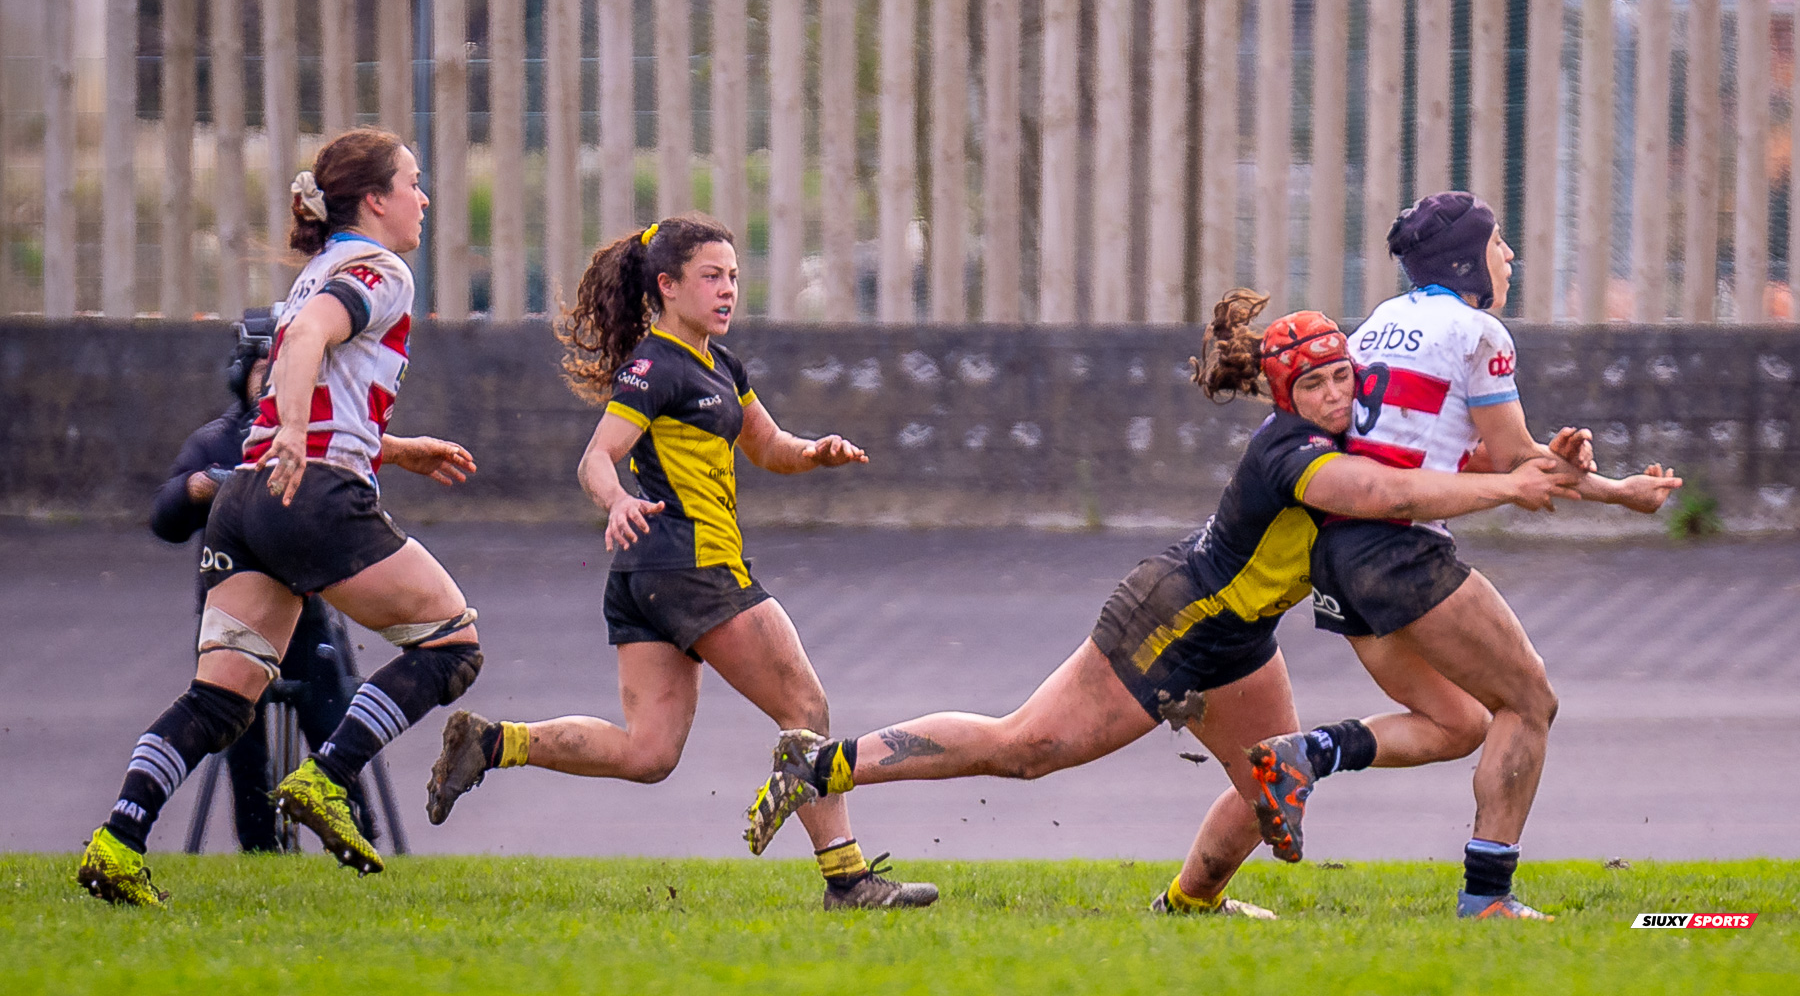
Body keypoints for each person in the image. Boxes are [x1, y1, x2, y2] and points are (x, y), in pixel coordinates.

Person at [740, 290, 1583, 918]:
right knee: (1026, 748)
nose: (1337, 393)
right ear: (1287, 394)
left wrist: (1547, 472)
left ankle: (1186, 910)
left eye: (1344, 378)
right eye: (1318, 384)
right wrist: (1508, 481)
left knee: (1271, 787)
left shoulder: (1345, 429)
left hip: (1241, 636)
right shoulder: (1295, 450)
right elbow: (1379, 493)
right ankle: (819, 765)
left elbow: (1421, 477)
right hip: (1175, 615)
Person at [423, 213, 937, 910]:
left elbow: (767, 446)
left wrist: (816, 451)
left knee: (650, 753)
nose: (727, 291)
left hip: (650, 578)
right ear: (666, 286)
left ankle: (494, 743)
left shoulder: (721, 366)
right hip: (692, 567)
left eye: (733, 278)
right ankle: (846, 881)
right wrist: (616, 502)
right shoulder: (653, 364)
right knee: (804, 704)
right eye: (711, 278)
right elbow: (596, 459)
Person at [1244, 191, 1682, 922]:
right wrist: (1614, 491)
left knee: (1460, 723)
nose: (1509, 255)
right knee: (1529, 700)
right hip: (1401, 550)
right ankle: (1487, 900)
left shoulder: (1383, 321)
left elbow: (1475, 457)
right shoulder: (1481, 333)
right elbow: (1513, 464)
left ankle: (1308, 755)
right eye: (1500, 241)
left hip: (1337, 555)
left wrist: (1592, 481)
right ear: (1469, 258)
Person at [77, 127, 482, 906]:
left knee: (222, 698)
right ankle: (328, 779)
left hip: (245, 503)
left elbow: (317, 374)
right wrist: (298, 437)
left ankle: (118, 840)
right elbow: (301, 344)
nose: (423, 198)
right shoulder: (378, 267)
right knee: (453, 642)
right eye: (413, 183)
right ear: (373, 200)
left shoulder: (318, 271)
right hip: (311, 493)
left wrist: (394, 450)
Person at [151, 308, 373, 852]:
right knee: (241, 746)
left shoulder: (325, 438)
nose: (277, 383)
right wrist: (203, 488)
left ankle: (359, 840)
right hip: (235, 617)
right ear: (242, 374)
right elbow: (165, 518)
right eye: (265, 371)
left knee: (336, 732)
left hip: (306, 615)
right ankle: (260, 851)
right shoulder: (217, 441)